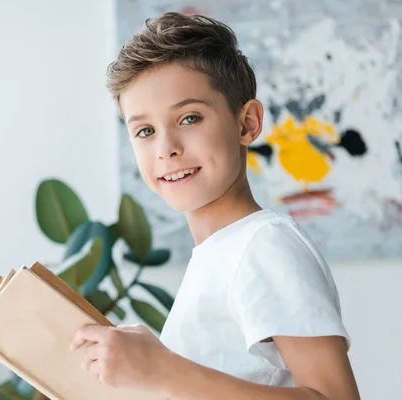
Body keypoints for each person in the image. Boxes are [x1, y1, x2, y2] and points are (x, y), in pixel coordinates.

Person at [69, 12, 360, 400]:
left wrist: (162, 368)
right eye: (145, 130)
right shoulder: (218, 256)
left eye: (189, 118)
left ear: (247, 124)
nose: (166, 147)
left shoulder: (264, 244)